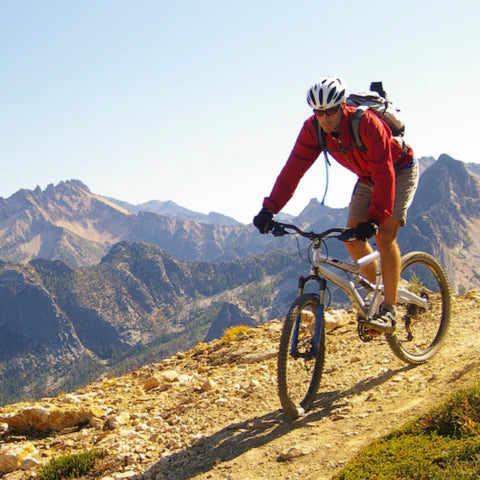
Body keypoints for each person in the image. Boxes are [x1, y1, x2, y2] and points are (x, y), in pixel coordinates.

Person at [253, 76, 418, 334]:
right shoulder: (313, 130)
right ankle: (380, 291)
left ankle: (389, 309)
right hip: (368, 178)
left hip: (398, 170)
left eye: (330, 111)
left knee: (384, 235)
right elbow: (292, 171)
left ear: (342, 106)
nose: (325, 118)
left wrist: (374, 218)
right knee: (351, 238)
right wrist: (269, 208)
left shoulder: (367, 124)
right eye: (319, 112)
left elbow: (385, 174)